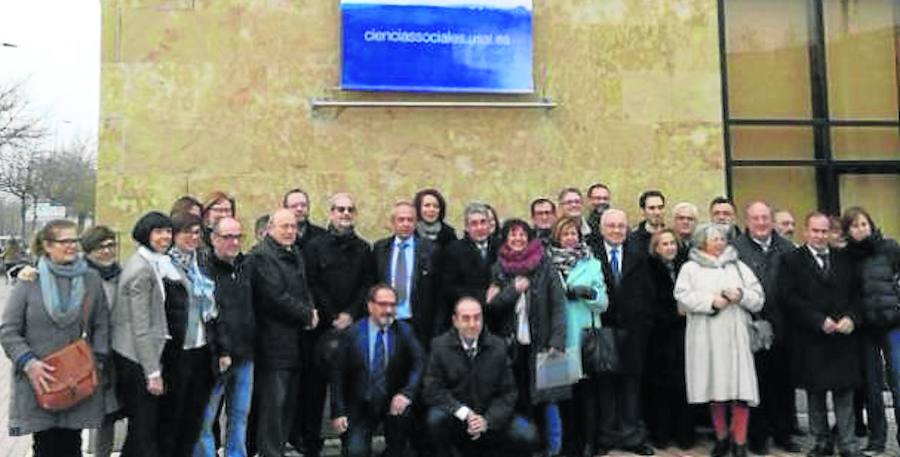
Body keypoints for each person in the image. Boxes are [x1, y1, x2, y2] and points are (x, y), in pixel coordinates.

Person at [0, 219, 110, 457]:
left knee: (71, 444)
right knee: (45, 445)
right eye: (65, 241)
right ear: (47, 245)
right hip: (40, 379)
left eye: (75, 240)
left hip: (77, 379)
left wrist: (97, 362)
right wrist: (29, 363)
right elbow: (8, 330)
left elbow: (101, 325)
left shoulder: (91, 280)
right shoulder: (30, 280)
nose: (72, 246)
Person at [674, 223, 764, 457]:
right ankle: (722, 437)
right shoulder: (690, 269)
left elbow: (758, 297)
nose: (720, 242)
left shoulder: (738, 266)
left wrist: (741, 295)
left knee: (740, 390)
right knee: (715, 389)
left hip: (735, 336)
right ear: (701, 241)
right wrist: (711, 301)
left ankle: (740, 442)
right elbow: (682, 297)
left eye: (722, 238)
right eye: (714, 238)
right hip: (706, 336)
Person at [781, 212, 863, 457]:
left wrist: (852, 317)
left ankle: (848, 445)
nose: (819, 236)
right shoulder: (791, 260)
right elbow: (789, 297)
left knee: (844, 393)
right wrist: (818, 320)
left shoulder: (845, 259)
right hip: (812, 338)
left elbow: (858, 295)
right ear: (805, 232)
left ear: (831, 232)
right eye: (815, 231)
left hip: (843, 338)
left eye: (824, 231)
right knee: (815, 394)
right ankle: (822, 442)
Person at [485, 218, 567, 456]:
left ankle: (554, 448)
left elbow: (558, 305)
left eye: (522, 234)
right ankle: (528, 446)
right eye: (513, 235)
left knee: (550, 398)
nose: (518, 239)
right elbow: (492, 307)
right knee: (519, 397)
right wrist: (513, 290)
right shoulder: (498, 268)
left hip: (544, 344)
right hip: (512, 347)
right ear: (506, 239)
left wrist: (557, 341)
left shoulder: (545, 263)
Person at [302, 193, 375, 456]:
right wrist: (333, 315)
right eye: (340, 209)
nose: (345, 214)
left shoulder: (365, 249)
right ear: (331, 213)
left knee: (351, 388)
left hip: (354, 328)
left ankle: (350, 443)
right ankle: (311, 444)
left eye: (350, 209)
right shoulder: (315, 247)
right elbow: (312, 284)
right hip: (321, 328)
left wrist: (350, 315)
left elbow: (368, 286)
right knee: (314, 391)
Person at [424, 297, 540, 457]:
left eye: (477, 318)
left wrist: (487, 421)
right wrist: (465, 414)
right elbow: (432, 389)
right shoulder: (439, 346)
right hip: (457, 416)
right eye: (466, 319)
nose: (472, 324)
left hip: (490, 417)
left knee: (528, 434)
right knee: (435, 419)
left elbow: (509, 393)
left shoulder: (498, 346)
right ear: (455, 321)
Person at [247, 208, 319, 457]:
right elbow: (274, 296)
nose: (290, 232)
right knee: (273, 406)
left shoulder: (295, 253)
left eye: (293, 227)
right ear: (270, 229)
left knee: (288, 405)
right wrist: (306, 314)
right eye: (284, 227)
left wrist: (310, 309)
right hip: (272, 344)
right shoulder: (260, 257)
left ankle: (277, 450)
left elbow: (303, 287)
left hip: (295, 342)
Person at [732, 201, 800, 454]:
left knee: (782, 382)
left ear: (771, 220)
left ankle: (783, 434)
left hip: (783, 325)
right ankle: (757, 436)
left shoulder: (787, 247)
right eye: (755, 218)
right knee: (754, 384)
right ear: (747, 221)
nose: (761, 223)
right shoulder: (736, 249)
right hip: (751, 326)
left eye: (765, 218)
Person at [330, 284, 426, 457]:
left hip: (392, 404)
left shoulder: (404, 331)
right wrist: (338, 412)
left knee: (401, 441)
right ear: (369, 305)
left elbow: (419, 362)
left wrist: (407, 393)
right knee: (355, 452)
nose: (388, 310)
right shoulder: (352, 334)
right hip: (360, 405)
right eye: (383, 304)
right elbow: (338, 375)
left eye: (392, 305)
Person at [111, 211, 175, 457]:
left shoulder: (151, 262)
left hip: (136, 355)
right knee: (144, 429)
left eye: (168, 231)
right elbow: (141, 326)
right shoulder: (141, 270)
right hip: (136, 359)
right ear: (146, 234)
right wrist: (153, 372)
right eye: (159, 231)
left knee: (141, 429)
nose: (165, 237)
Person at [593, 209, 656, 456]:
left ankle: (632, 436)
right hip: (603, 330)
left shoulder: (639, 254)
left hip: (634, 332)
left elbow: (648, 293)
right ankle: (606, 437)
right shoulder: (591, 254)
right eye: (611, 226)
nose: (617, 230)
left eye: (621, 226)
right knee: (605, 386)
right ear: (601, 229)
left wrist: (644, 324)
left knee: (631, 386)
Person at [547, 216, 608, 457]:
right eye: (565, 234)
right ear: (557, 238)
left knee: (588, 393)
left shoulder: (591, 263)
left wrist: (588, 293)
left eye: (574, 233)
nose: (571, 238)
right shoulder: (546, 263)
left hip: (585, 336)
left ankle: (590, 443)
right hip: (557, 338)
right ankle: (566, 443)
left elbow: (603, 302)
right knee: (561, 395)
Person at [194, 217, 256, 457]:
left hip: (246, 355)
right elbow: (207, 317)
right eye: (227, 237)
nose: (234, 242)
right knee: (205, 420)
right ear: (213, 239)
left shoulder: (246, 267)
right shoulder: (204, 271)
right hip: (215, 358)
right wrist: (220, 351)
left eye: (238, 236)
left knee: (240, 417)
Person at [158, 212, 217, 457]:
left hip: (202, 350)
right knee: (172, 420)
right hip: (176, 352)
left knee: (194, 419)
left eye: (197, 232)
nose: (193, 237)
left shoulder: (202, 263)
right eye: (187, 232)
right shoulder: (164, 265)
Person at [843, 207, 900, 454]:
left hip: (894, 325)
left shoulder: (890, 248)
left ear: (871, 225)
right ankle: (877, 440)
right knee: (872, 386)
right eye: (854, 226)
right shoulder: (845, 257)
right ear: (848, 231)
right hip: (865, 329)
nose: (861, 229)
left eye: (864, 224)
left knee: (898, 382)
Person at [644, 228, 695, 450]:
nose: (669, 248)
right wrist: (674, 314)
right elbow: (649, 303)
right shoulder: (648, 269)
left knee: (684, 386)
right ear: (656, 248)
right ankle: (661, 434)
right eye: (664, 244)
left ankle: (684, 433)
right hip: (659, 337)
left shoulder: (686, 267)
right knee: (660, 388)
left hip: (686, 336)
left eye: (672, 243)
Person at [81, 226, 123, 457]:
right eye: (100, 247)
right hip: (84, 355)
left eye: (110, 245)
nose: (107, 251)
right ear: (88, 251)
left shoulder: (121, 274)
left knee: (108, 415)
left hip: (112, 355)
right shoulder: (77, 276)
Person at [373, 201, 440, 348]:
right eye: (401, 220)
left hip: (418, 323)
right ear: (393, 222)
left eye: (410, 220)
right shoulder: (380, 249)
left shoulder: (430, 250)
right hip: (386, 319)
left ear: (416, 223)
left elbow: (437, 292)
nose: (406, 224)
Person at [440, 202, 497, 332]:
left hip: (497, 318)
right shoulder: (453, 250)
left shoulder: (501, 247)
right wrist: (483, 296)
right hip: (467, 318)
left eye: (483, 222)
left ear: (490, 225)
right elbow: (450, 288)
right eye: (474, 223)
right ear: (466, 227)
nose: (480, 227)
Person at [628, 190, 666, 254]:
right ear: (643, 211)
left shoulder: (672, 237)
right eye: (652, 208)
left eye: (660, 207)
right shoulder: (633, 240)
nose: (657, 212)